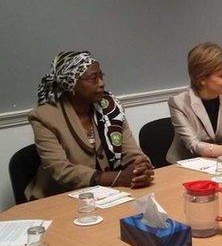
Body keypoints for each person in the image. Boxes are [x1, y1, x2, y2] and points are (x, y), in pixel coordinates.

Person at [26, 51, 153, 200]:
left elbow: (131, 151)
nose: (101, 83)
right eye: (93, 78)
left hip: (108, 196)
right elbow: (61, 170)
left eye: (101, 76)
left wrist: (141, 167)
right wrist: (117, 178)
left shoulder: (110, 108)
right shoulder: (45, 117)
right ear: (71, 84)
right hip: (59, 198)